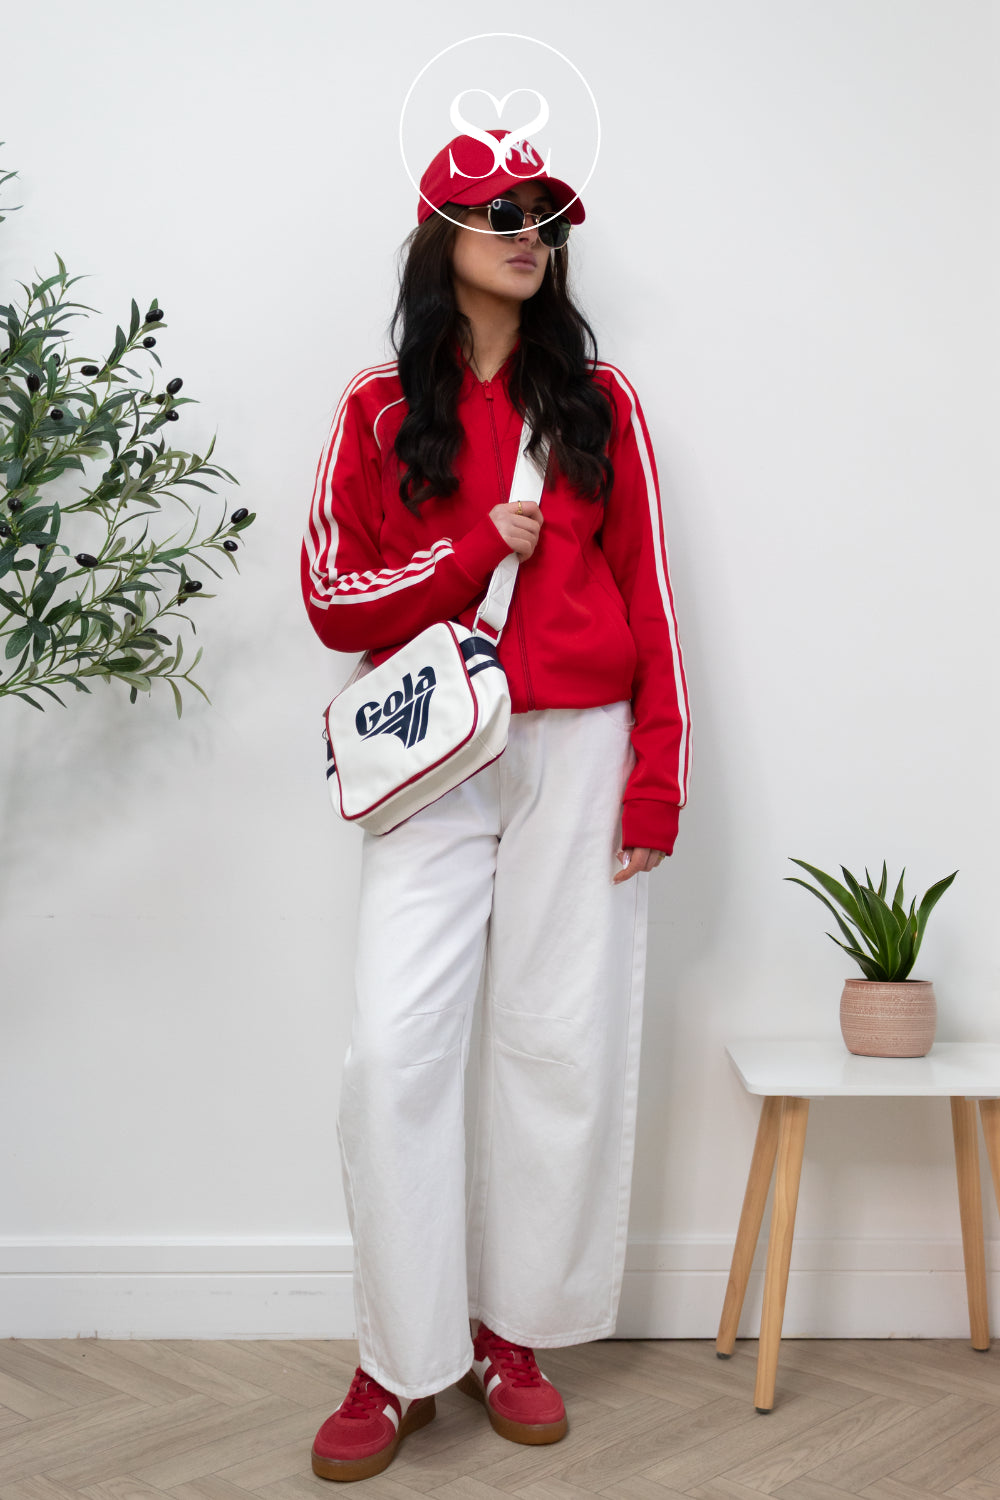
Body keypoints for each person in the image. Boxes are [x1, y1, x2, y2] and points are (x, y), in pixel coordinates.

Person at [300, 129, 690, 1483]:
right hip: (437, 756)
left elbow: (652, 603)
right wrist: (474, 549)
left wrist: (659, 778)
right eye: (500, 215)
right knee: (393, 1053)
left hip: (580, 750)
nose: (528, 234)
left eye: (544, 219)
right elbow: (329, 597)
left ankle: (511, 1333)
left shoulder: (599, 402)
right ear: (442, 236)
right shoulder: (371, 407)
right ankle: (395, 1358)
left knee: (555, 1047)